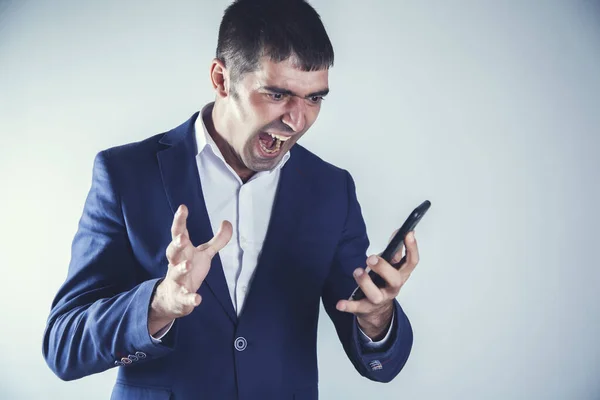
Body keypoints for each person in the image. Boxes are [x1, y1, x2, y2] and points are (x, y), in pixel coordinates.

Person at [42, 0, 421, 398]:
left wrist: (378, 316)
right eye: (277, 94)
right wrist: (159, 304)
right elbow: (63, 347)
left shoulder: (331, 189)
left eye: (314, 99)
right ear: (221, 80)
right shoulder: (125, 174)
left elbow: (379, 362)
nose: (297, 121)